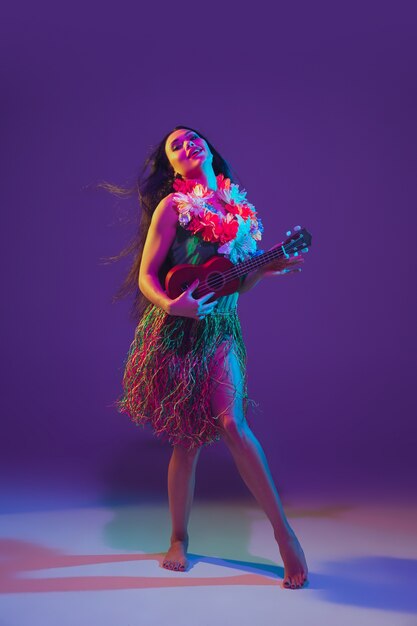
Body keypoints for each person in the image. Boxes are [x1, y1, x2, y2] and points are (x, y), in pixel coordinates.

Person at [112, 125, 309, 589]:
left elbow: (235, 281)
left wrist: (266, 267)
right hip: (178, 328)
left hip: (221, 330)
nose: (185, 145)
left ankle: (284, 536)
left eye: (191, 138)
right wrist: (170, 303)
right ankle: (178, 537)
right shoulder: (173, 207)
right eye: (174, 146)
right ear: (173, 166)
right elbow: (147, 275)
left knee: (233, 423)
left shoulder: (239, 209)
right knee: (186, 440)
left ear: (209, 150)